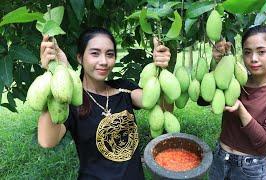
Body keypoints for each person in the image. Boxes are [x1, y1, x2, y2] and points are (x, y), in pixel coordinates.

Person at [38, 27, 171, 179]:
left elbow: (161, 106)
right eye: (95, 53)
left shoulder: (124, 88)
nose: (104, 61)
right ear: (80, 58)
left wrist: (160, 68)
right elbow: (47, 140)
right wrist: (55, 74)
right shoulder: (73, 100)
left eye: (110, 54)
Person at [207, 25, 266, 179]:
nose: (253, 59)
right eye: (247, 52)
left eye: (261, 52)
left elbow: (264, 142)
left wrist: (241, 110)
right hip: (220, 159)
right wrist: (217, 64)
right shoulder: (236, 80)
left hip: (250, 169)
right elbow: (203, 99)